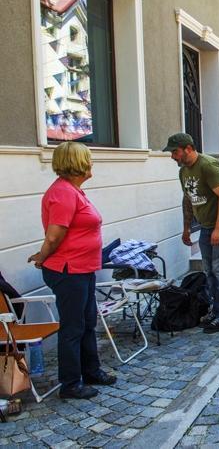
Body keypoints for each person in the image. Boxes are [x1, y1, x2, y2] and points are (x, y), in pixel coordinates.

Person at [28, 142, 116, 399]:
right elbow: (55, 235)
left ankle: (91, 371)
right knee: (73, 327)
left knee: (88, 323)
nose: (91, 163)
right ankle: (70, 384)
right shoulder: (63, 193)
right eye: (88, 158)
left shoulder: (74, 191)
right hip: (68, 270)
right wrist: (41, 257)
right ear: (76, 163)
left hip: (82, 268)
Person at [165, 133, 219, 334]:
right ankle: (217, 310)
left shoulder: (208, 166)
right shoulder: (184, 171)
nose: (173, 156)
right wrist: (186, 228)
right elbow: (187, 199)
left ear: (188, 148)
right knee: (209, 269)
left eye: (175, 151)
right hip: (208, 224)